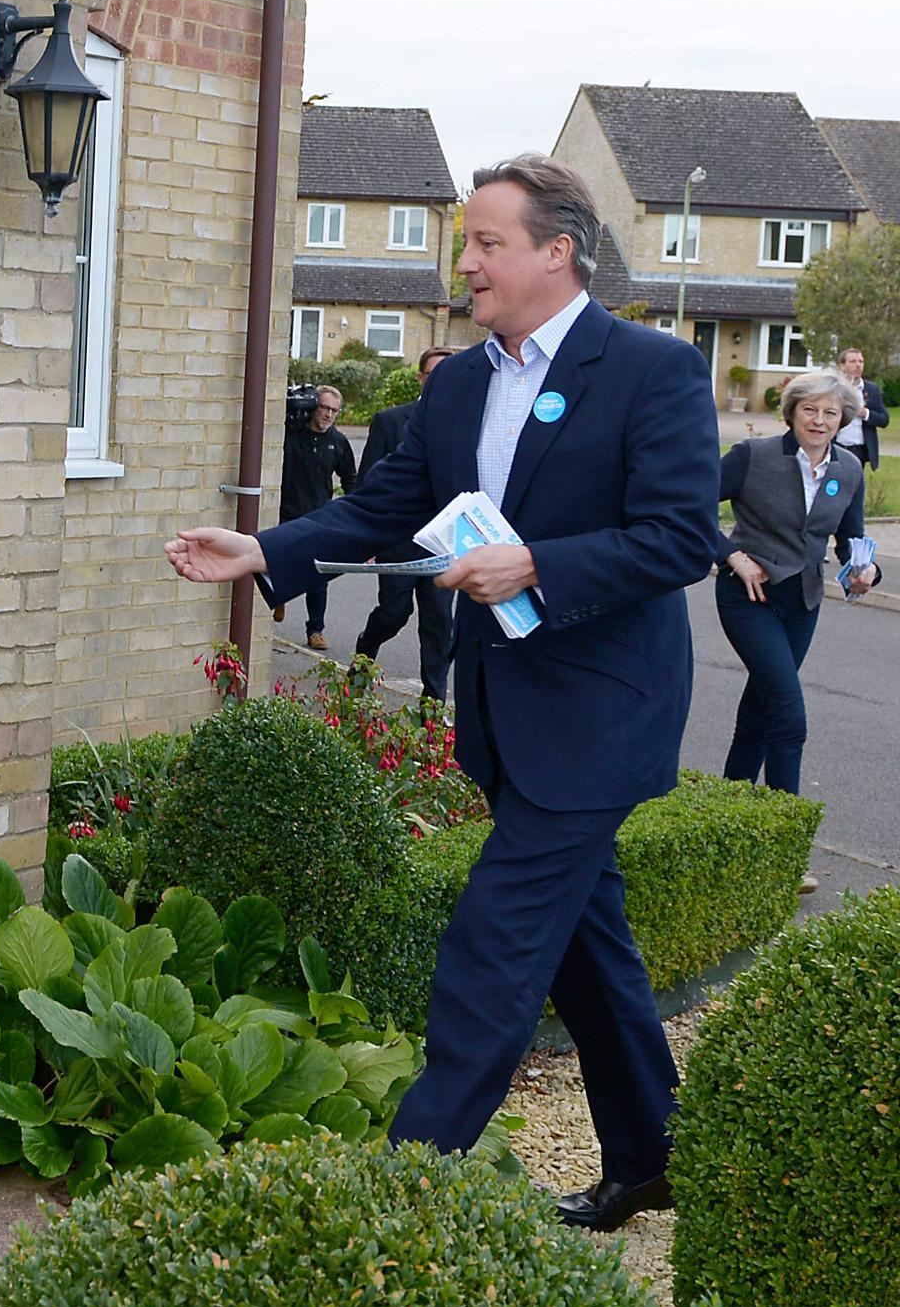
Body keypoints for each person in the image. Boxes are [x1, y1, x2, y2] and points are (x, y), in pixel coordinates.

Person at [165, 154, 720, 1233]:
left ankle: (392, 1196)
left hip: (602, 714)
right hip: (508, 716)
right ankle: (649, 1153)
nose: (462, 261)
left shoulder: (649, 370)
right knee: (583, 944)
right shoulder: (459, 382)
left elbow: (678, 537)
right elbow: (383, 509)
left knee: (491, 946)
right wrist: (264, 550)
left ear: (554, 253)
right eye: (464, 241)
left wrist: (537, 567)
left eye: (484, 242)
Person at [716, 368, 881, 794]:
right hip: (748, 595)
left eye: (830, 412)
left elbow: (850, 538)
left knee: (761, 708)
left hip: (802, 603)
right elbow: (688, 506)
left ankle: (732, 803)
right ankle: (787, 825)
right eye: (809, 409)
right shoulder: (752, 455)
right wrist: (733, 557)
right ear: (792, 413)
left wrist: (865, 571)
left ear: (842, 419)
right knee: (788, 716)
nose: (819, 420)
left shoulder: (848, 469)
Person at [351, 346, 457, 700]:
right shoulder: (390, 421)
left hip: (444, 544)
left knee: (439, 623)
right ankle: (366, 649)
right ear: (421, 378)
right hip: (399, 541)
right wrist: (365, 539)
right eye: (435, 374)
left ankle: (433, 704)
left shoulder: (467, 423)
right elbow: (367, 482)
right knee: (395, 613)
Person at [271, 384, 356, 650]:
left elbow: (350, 478)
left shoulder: (338, 442)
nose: (329, 415)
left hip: (319, 515)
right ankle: (279, 596)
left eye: (334, 410)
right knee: (279, 562)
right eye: (325, 408)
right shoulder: (291, 435)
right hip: (287, 511)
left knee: (319, 576)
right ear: (313, 407)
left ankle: (315, 629)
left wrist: (356, 514)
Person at [833, 347, 888, 470]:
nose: (858, 365)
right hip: (836, 446)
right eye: (853, 362)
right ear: (842, 366)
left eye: (861, 361)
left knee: (855, 486)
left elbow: (884, 420)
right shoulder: (834, 388)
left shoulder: (871, 389)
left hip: (859, 450)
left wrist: (865, 413)